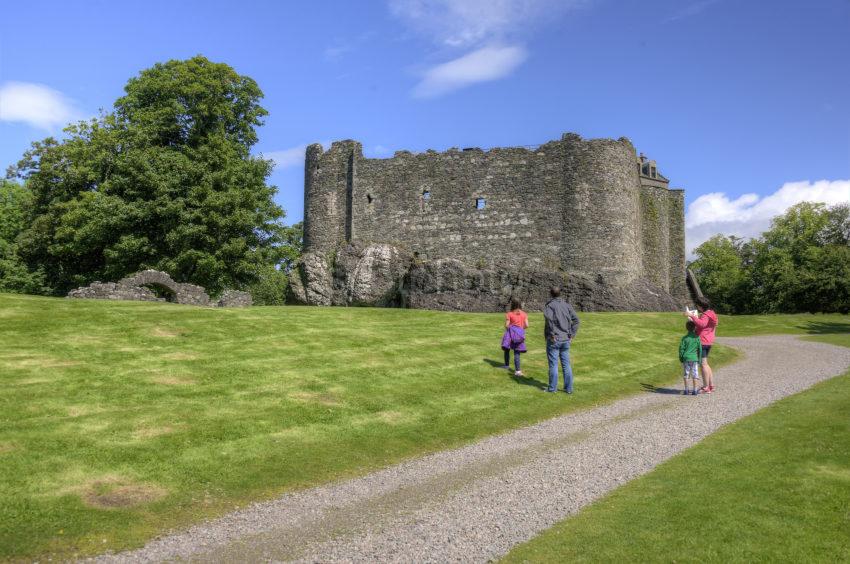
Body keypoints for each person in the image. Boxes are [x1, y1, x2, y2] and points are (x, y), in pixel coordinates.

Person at [543, 286, 580, 393]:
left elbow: (549, 320)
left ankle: (552, 388)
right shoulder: (567, 305)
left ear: (551, 294)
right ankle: (568, 389)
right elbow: (576, 320)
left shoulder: (550, 306)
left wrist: (552, 334)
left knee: (553, 364)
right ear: (560, 294)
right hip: (565, 339)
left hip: (555, 339)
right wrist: (572, 335)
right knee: (566, 364)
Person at [686, 296, 718, 393]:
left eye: (698, 305)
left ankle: (705, 387)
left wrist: (691, 316)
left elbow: (702, 324)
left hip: (702, 341)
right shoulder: (711, 313)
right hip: (708, 341)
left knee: (703, 365)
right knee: (706, 364)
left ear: (700, 306)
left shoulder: (705, 315)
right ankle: (711, 385)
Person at [501, 298, 528, 376]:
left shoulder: (509, 314)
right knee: (517, 352)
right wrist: (520, 329)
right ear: (520, 304)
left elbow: (506, 325)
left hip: (510, 333)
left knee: (507, 349)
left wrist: (512, 329)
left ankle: (506, 365)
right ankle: (518, 371)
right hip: (519, 334)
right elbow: (527, 325)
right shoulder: (524, 314)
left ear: (512, 304)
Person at [679, 320, 703, 395]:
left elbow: (681, 349)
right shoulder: (697, 338)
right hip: (694, 358)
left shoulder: (684, 338)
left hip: (686, 358)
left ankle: (686, 390)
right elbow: (700, 349)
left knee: (686, 374)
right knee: (695, 374)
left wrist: (681, 358)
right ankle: (695, 390)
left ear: (686, 328)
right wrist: (699, 359)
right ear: (695, 328)